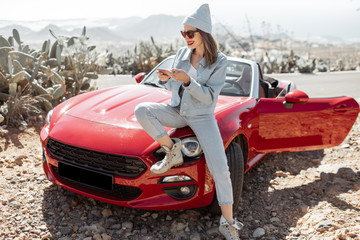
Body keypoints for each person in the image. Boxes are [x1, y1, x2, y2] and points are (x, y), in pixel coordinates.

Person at [134, 4, 243, 239]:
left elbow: (210, 97)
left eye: (190, 33)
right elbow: (174, 86)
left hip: (202, 116)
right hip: (177, 110)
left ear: (203, 33)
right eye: (183, 33)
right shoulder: (181, 55)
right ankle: (172, 150)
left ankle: (229, 222)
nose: (186, 38)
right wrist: (167, 79)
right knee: (142, 110)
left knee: (221, 169)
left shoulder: (219, 61)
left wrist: (188, 82)